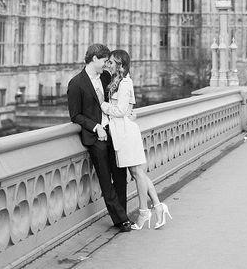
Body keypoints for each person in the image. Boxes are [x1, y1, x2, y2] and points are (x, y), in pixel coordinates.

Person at [101, 49, 172, 230]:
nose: (108, 64)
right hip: (122, 132)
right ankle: (157, 206)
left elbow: (121, 111)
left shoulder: (124, 83)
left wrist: (102, 104)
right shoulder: (117, 82)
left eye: (111, 62)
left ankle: (144, 211)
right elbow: (130, 108)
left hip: (125, 134)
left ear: (121, 66)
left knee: (137, 173)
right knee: (137, 172)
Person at [67, 43, 132, 232]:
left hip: (113, 131)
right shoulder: (76, 83)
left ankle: (124, 216)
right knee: (105, 178)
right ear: (94, 59)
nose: (107, 65)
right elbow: (75, 115)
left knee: (120, 176)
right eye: (105, 61)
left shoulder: (105, 77)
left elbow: (119, 97)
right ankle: (121, 220)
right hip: (95, 137)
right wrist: (95, 127)